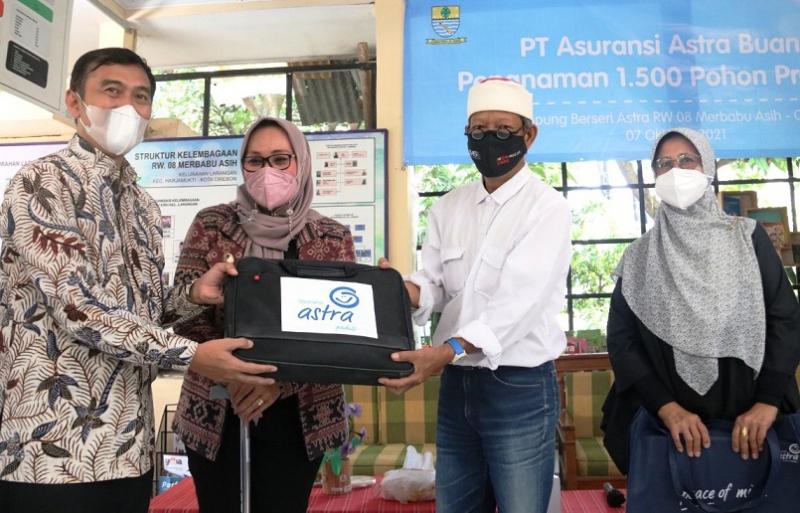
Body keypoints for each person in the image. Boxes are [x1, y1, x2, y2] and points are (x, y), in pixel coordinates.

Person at [0, 48, 277, 513]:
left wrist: (192, 296)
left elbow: (139, 316)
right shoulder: (41, 184)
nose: (128, 107)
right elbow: (79, 309)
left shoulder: (142, 205)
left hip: (127, 447)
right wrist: (195, 356)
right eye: (112, 91)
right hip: (49, 448)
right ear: (74, 102)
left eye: (141, 96)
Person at [378, 77, 571, 513]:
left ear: (529, 134)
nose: (489, 139)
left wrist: (446, 352)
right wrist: (398, 291)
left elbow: (517, 305)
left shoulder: (547, 208)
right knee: (457, 506)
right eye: (478, 130)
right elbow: (434, 285)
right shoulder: (448, 207)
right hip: (459, 385)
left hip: (518, 386)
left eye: (502, 129)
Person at [172, 116, 354, 513]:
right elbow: (178, 316)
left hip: (300, 416)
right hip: (218, 407)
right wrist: (234, 373)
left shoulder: (332, 237)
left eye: (280, 158)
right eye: (254, 161)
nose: (266, 171)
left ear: (301, 163)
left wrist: (274, 383)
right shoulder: (211, 224)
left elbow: (339, 337)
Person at [601, 127, 800, 474]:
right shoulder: (639, 257)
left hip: (752, 422)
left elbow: (784, 318)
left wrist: (768, 402)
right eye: (664, 163)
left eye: (686, 160)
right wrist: (667, 408)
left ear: (707, 166)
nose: (675, 170)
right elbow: (622, 340)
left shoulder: (747, 238)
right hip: (665, 428)